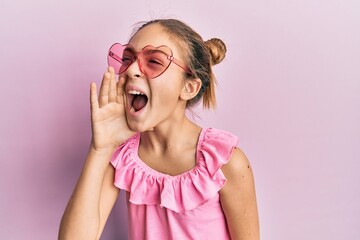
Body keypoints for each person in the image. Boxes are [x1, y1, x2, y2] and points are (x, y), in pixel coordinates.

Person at [59, 19, 259, 240]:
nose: (131, 69)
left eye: (154, 61)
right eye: (127, 59)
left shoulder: (224, 162)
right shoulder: (121, 155)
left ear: (189, 87)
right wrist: (100, 149)